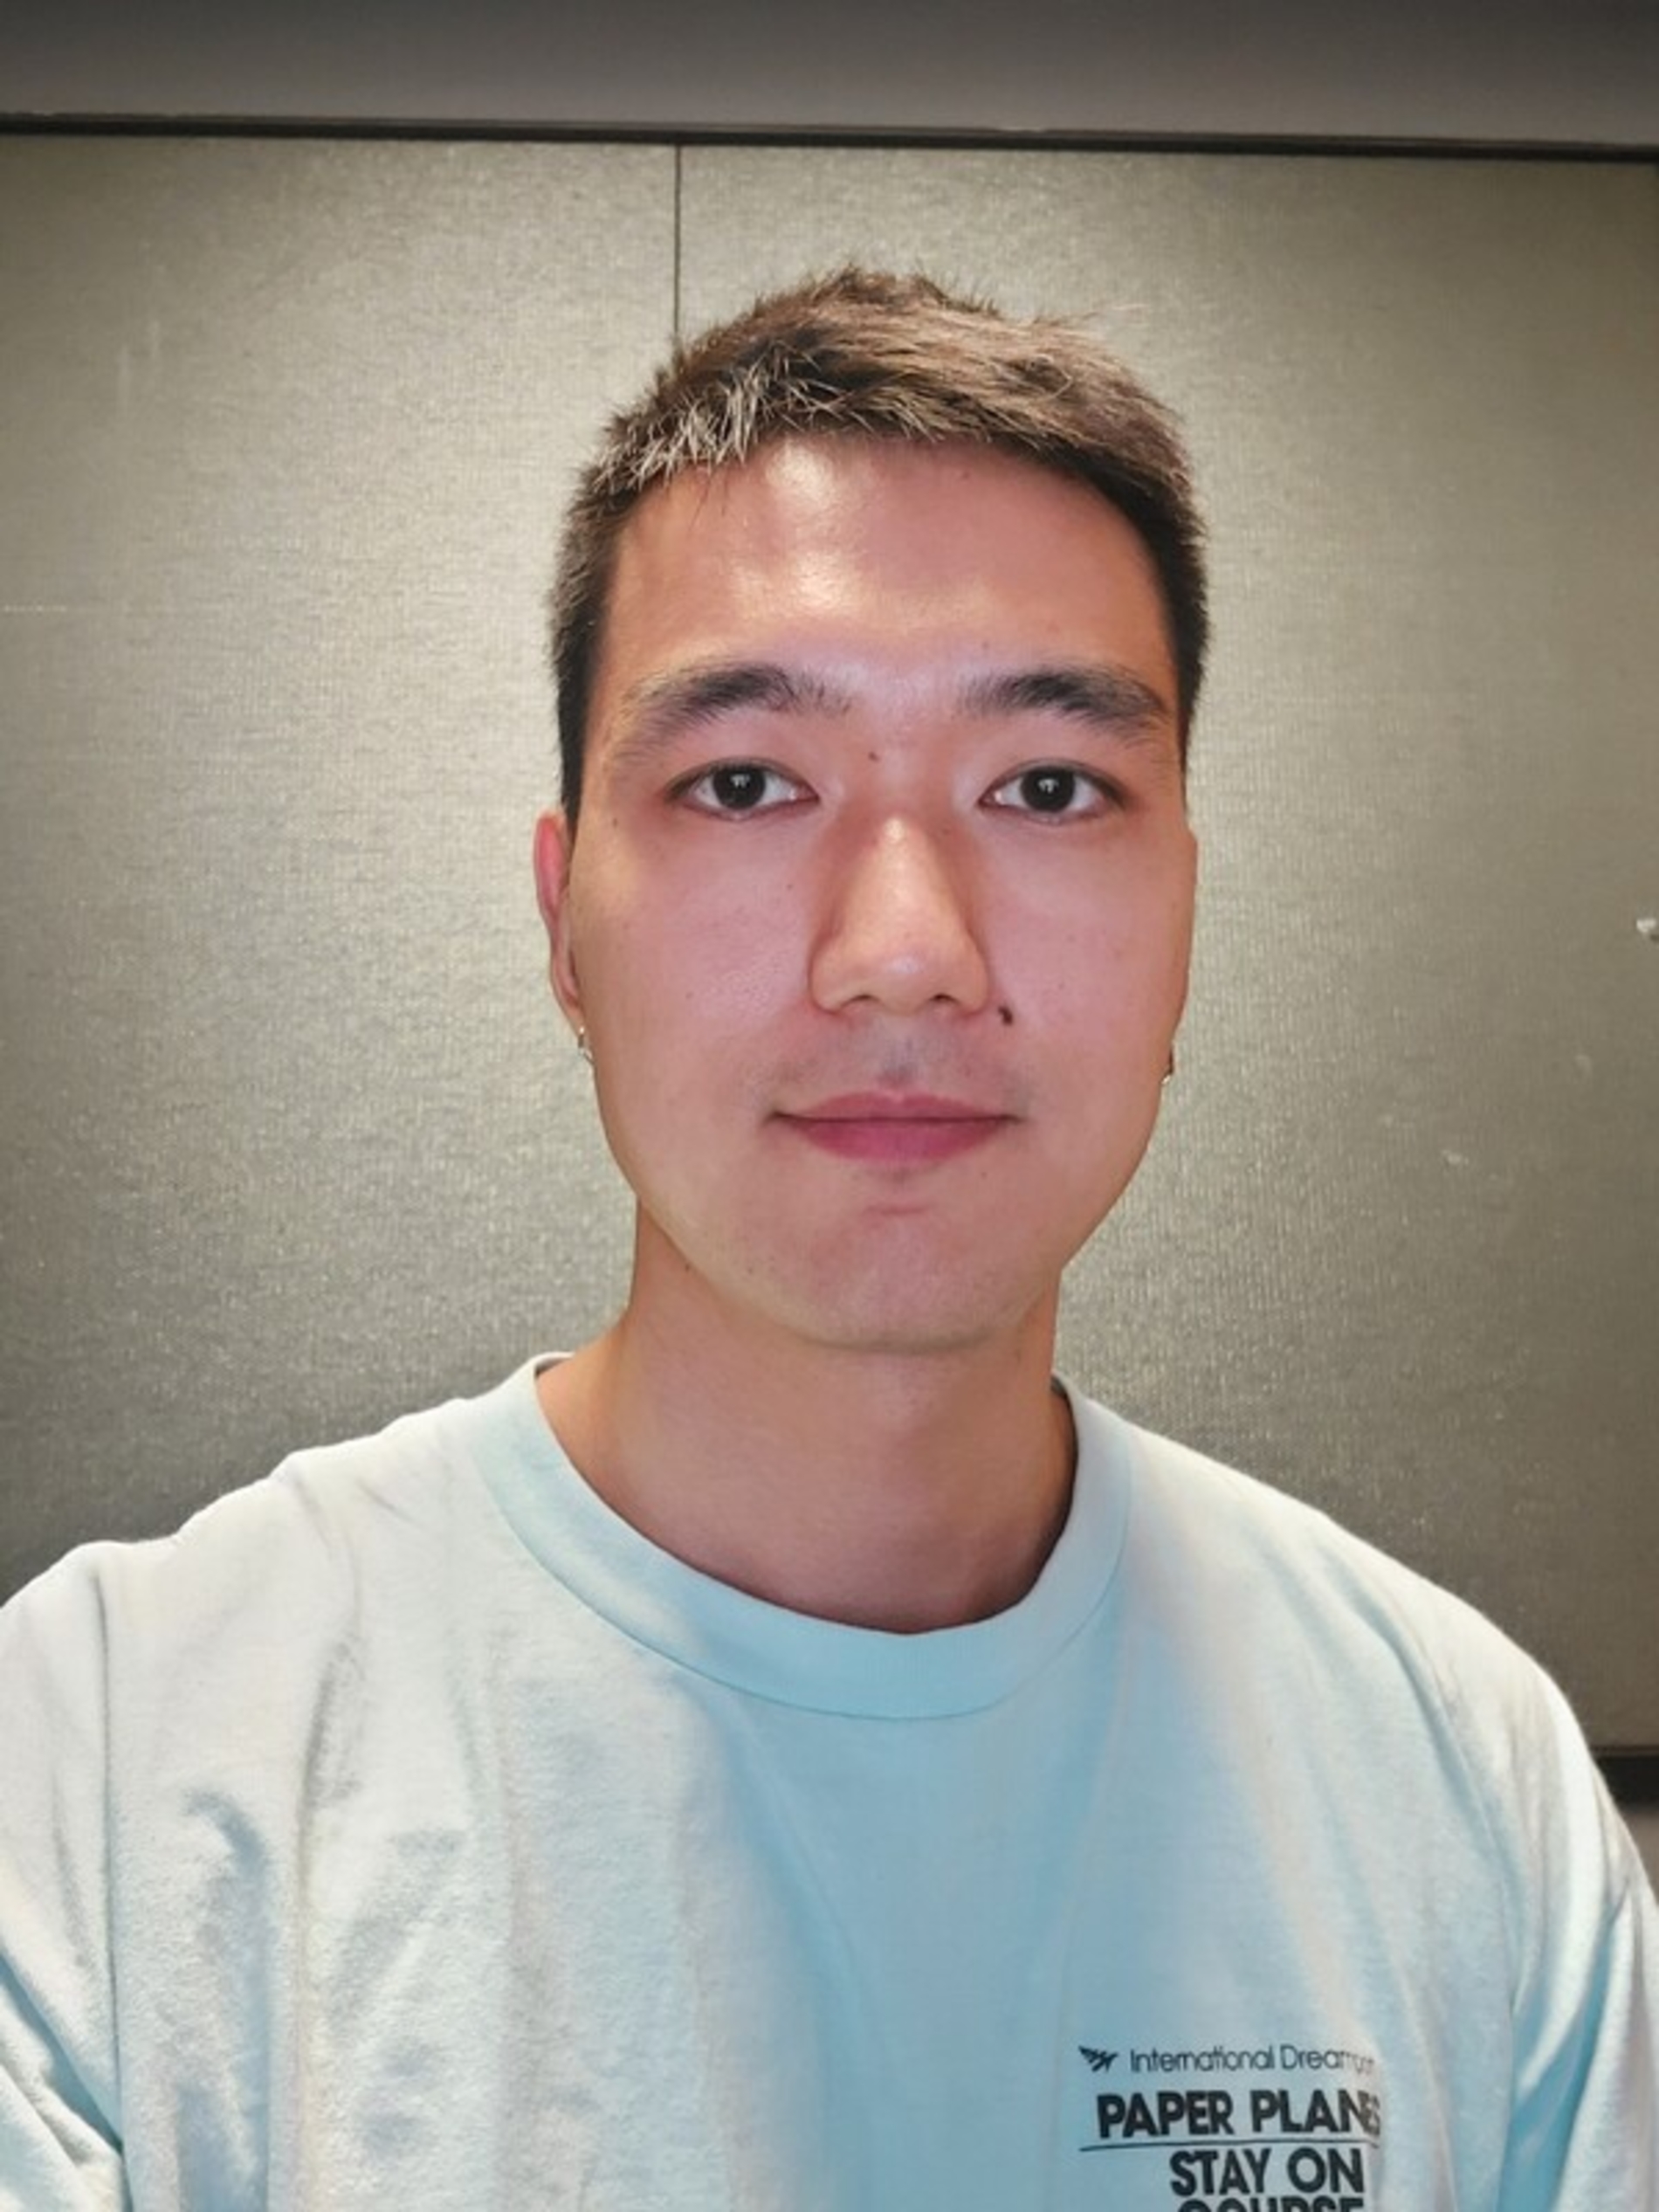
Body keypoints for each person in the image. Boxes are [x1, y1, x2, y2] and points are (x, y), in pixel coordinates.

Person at [1, 268, 1653, 2211]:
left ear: (1185, 915)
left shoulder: (1462, 1787)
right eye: (743, 783)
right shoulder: (105, 1766)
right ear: (562, 920)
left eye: (1048, 786)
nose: (903, 953)